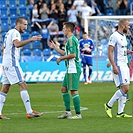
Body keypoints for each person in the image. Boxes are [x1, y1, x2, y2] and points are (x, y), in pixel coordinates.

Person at [0, 17, 44, 119]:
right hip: (12, 63)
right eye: (24, 24)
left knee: (5, 88)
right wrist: (31, 39)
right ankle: (29, 111)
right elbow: (17, 44)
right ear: (18, 24)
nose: (26, 27)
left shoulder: (8, 32)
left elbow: (3, 47)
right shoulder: (15, 33)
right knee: (23, 85)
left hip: (5, 63)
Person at [48, 22, 82, 119]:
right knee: (64, 89)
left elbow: (73, 55)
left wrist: (61, 58)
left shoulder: (71, 40)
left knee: (74, 91)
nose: (62, 30)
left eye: (63, 28)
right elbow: (66, 52)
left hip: (73, 68)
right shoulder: (70, 40)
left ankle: (78, 114)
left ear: (68, 29)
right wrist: (55, 47)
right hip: (69, 69)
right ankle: (68, 112)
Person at [104, 18, 132, 118]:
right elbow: (110, 51)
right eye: (128, 25)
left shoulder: (123, 36)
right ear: (122, 26)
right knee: (125, 88)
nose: (129, 27)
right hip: (119, 65)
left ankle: (120, 112)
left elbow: (120, 50)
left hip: (125, 64)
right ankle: (108, 105)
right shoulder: (114, 36)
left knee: (124, 88)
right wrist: (114, 65)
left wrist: (127, 52)